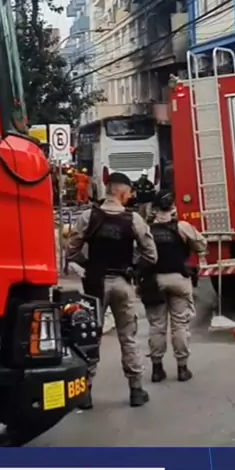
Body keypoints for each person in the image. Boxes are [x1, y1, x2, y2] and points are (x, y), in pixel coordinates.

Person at [66, 171, 158, 409]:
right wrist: (133, 269)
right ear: (123, 194)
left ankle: (85, 392)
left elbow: (71, 250)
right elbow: (151, 255)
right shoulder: (133, 219)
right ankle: (136, 390)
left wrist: (89, 265)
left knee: (90, 336)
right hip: (122, 283)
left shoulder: (88, 216)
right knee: (128, 336)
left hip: (94, 285)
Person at [139, 191, 207, 383]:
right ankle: (182, 368)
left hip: (154, 282)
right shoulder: (182, 227)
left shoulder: (146, 230)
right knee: (180, 325)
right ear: (172, 207)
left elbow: (139, 254)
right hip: (178, 279)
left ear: (154, 209)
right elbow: (201, 245)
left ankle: (157, 369)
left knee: (157, 326)